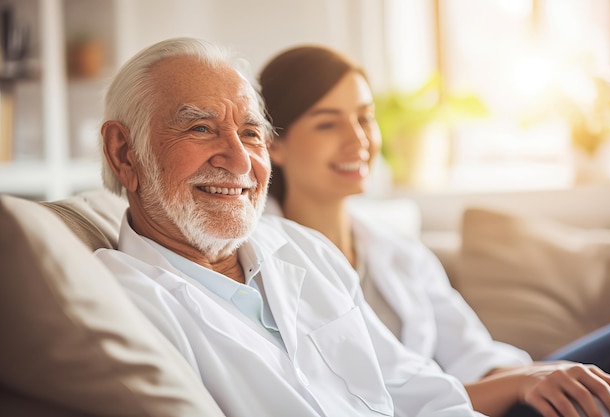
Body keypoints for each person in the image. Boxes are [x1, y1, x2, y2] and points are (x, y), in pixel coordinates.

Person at [94, 36, 484, 417]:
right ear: (124, 154)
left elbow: (416, 389)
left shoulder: (304, 248)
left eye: (250, 133)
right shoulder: (121, 303)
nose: (241, 162)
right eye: (201, 128)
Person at [258, 44, 610, 417]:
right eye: (327, 123)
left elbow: (473, 355)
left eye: (365, 118)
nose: (359, 140)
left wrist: (538, 375)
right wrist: (519, 385)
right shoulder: (265, 265)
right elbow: (374, 402)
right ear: (273, 145)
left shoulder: (394, 248)